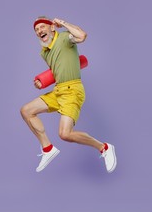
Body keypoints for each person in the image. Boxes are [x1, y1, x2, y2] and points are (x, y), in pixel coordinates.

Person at [20, 16, 117, 173]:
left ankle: (104, 147)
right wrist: (43, 81)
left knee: (65, 134)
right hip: (58, 90)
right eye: (36, 30)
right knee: (26, 111)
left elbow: (82, 36)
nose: (39, 31)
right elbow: (59, 69)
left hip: (73, 90)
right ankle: (47, 149)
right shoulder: (44, 52)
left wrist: (63, 23)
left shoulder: (65, 38)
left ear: (52, 28)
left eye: (42, 27)